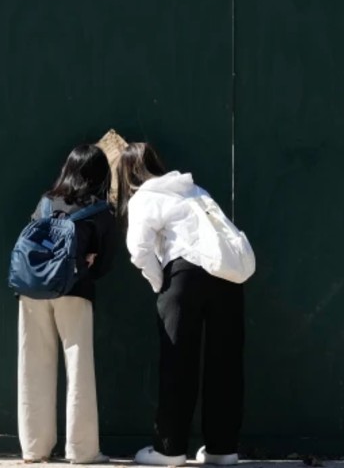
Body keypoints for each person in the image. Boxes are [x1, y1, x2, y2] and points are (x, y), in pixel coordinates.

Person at [118, 143, 245, 467]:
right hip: (227, 275)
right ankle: (222, 450)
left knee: (178, 361)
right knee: (224, 362)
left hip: (185, 273)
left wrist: (160, 283)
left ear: (128, 172)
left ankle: (169, 450)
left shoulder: (145, 196)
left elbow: (139, 249)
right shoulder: (193, 190)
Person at [17, 144, 118, 464]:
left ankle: (34, 449)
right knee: (79, 369)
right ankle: (82, 451)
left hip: (32, 291)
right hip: (74, 290)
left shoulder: (46, 201)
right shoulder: (99, 210)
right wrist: (87, 264)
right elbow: (104, 266)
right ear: (101, 175)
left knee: (32, 368)